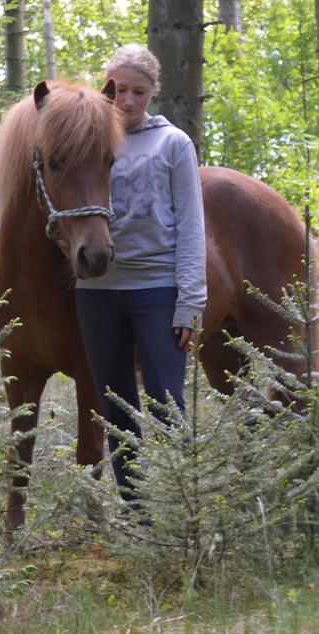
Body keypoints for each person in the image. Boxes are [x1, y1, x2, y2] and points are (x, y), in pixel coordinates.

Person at [74, 43, 207, 500]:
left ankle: (181, 508)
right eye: (119, 90)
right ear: (106, 86)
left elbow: (192, 224)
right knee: (116, 409)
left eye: (139, 92)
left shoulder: (173, 143)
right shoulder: (87, 139)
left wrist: (190, 301)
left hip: (158, 290)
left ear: (154, 92)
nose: (128, 102)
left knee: (167, 403)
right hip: (97, 295)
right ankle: (136, 512)